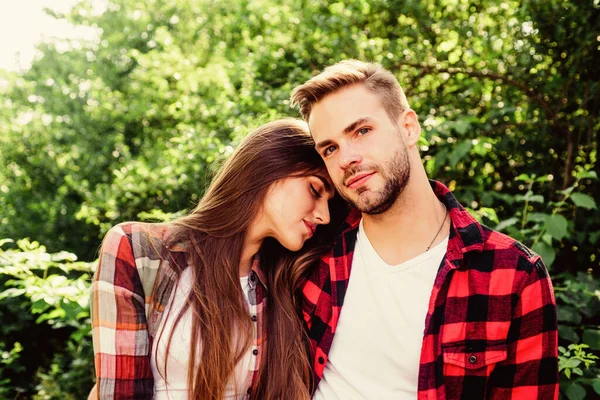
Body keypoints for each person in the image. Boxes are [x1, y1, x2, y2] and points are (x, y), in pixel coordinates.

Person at [290, 60, 558, 399]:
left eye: (361, 131)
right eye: (330, 148)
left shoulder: (513, 276)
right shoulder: (313, 256)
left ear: (408, 128)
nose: (346, 158)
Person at [89, 118, 347, 400]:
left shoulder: (283, 285)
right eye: (315, 190)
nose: (325, 215)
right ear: (269, 167)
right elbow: (120, 393)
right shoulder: (137, 250)